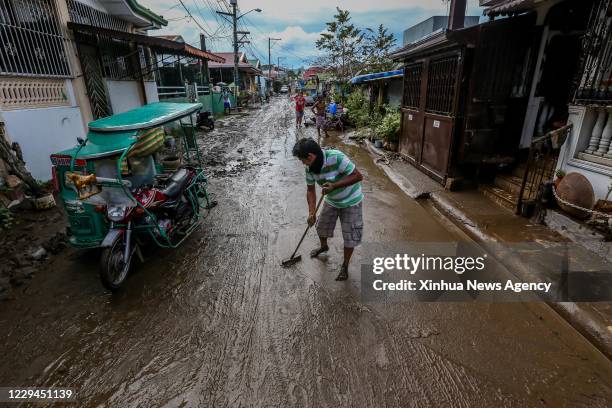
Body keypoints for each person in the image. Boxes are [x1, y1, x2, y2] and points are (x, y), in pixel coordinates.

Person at [292, 138, 364, 281]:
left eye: (302, 160)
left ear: (311, 157)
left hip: (351, 200)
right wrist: (311, 212)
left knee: (350, 237)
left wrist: (334, 186)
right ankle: (324, 247)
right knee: (321, 227)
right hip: (331, 200)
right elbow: (310, 190)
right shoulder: (309, 168)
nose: (303, 163)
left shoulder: (336, 157)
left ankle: (345, 265)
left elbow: (358, 175)